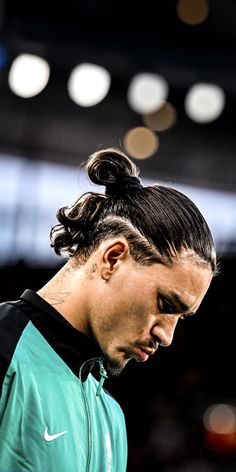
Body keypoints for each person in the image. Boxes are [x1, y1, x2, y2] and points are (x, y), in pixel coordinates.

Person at [0, 147, 217, 472]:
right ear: (113, 258)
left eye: (180, 317)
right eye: (166, 304)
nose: (168, 336)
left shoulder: (111, 420)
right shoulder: (5, 355)